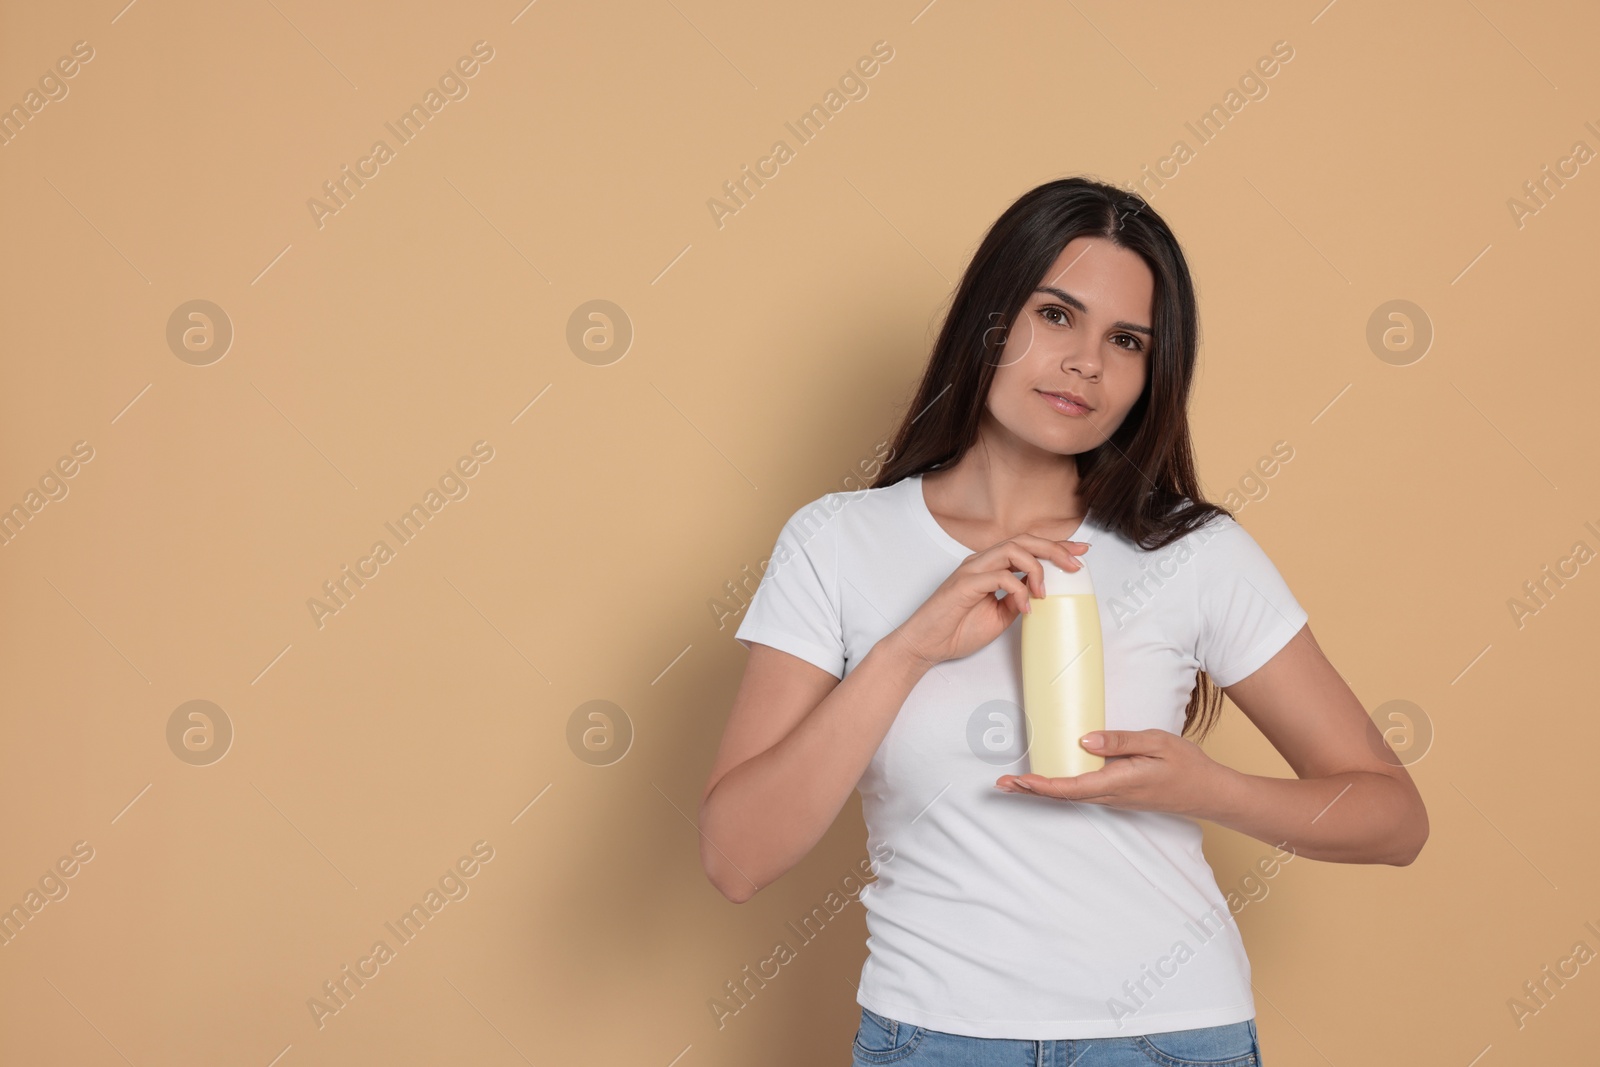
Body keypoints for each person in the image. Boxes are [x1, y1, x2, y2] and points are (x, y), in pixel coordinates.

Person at [698, 176, 1428, 1065]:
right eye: (1055, 316)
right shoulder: (837, 541)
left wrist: (1205, 788)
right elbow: (737, 858)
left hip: (1172, 1038)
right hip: (936, 1038)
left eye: (1126, 340)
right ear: (989, 321)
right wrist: (909, 648)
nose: (1087, 361)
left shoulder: (1192, 550)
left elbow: (1394, 817)